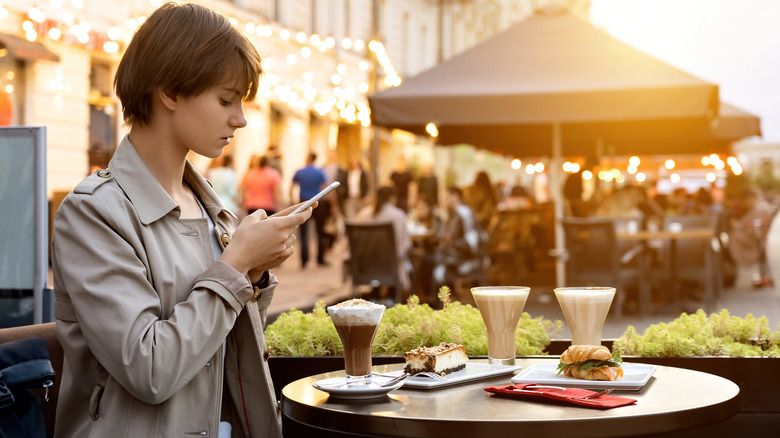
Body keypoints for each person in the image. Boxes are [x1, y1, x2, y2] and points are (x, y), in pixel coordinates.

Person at [51, 4, 312, 437]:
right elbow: (149, 369)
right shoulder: (94, 212)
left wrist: (255, 269)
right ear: (170, 92)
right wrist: (234, 268)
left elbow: (225, 344)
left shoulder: (210, 205)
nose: (240, 118)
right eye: (226, 99)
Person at [355, 185, 412, 294]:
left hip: (364, 268)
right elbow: (405, 245)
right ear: (392, 198)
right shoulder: (398, 215)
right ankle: (394, 297)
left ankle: (376, 294)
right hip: (390, 267)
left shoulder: (363, 215)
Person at [291, 152, 328, 267]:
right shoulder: (319, 172)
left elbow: (292, 186)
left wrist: (292, 200)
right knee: (320, 232)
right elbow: (326, 188)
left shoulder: (300, 171)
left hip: (303, 202)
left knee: (303, 234)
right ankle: (320, 259)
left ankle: (304, 260)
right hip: (318, 203)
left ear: (307, 158)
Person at [339, 155, 369, 220]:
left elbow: (366, 185)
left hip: (360, 198)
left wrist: (365, 195)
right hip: (350, 197)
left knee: (361, 216)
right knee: (350, 216)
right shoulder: (347, 173)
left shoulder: (362, 173)